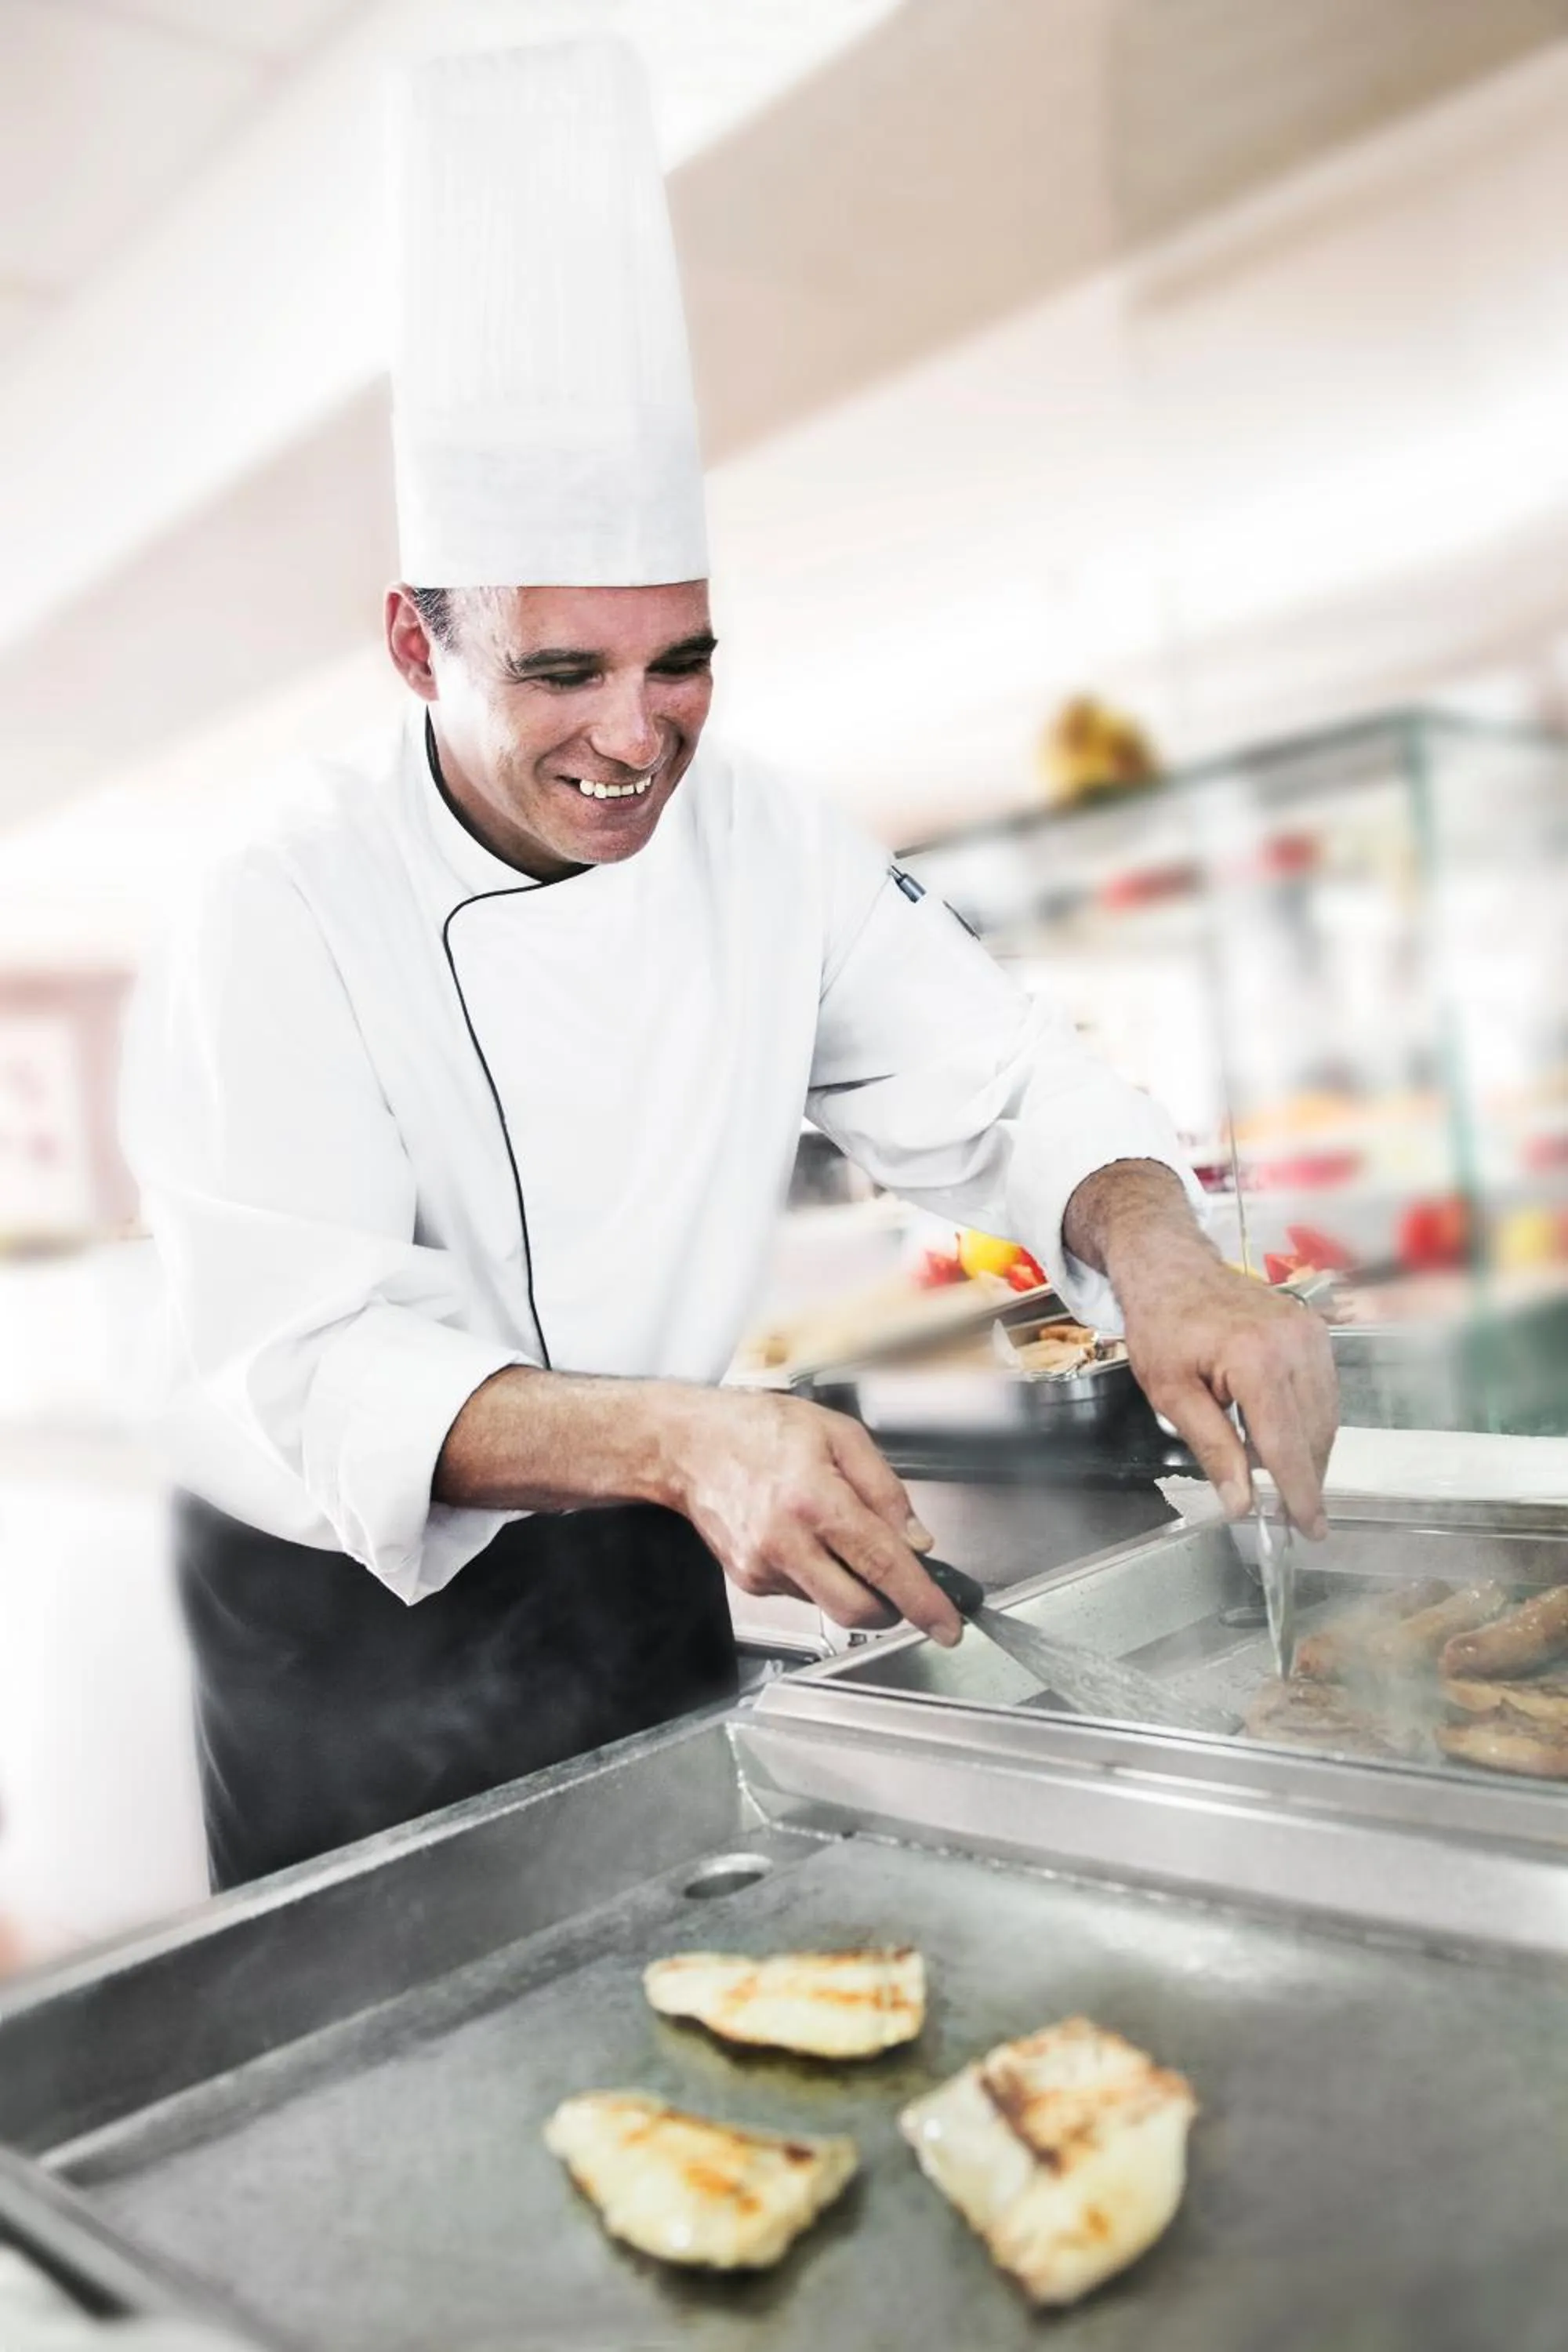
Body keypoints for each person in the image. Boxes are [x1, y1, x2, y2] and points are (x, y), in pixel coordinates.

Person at [122, 40, 1336, 1892]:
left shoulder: (766, 840)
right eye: (558, 674)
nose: (637, 737)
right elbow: (322, 1366)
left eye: (679, 661)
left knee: (691, 1948)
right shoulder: (272, 905)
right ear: (412, 644)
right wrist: (688, 1439)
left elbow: (1001, 1078)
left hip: (657, 1521)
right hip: (345, 1601)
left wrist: (1163, 1256)